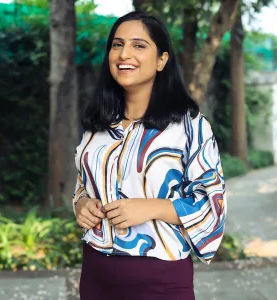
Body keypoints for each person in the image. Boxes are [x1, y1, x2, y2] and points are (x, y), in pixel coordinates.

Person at [73, 10, 226, 300]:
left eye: (138, 45)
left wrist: (152, 207)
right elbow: (82, 185)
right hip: (95, 272)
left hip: (160, 277)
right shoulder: (98, 124)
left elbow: (212, 205)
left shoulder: (190, 126)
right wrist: (81, 204)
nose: (123, 53)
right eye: (117, 45)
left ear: (161, 60)